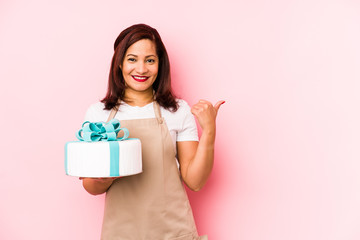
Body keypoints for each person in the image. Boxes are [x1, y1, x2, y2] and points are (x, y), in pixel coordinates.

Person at [81, 23, 224, 240]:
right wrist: (104, 177)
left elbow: (195, 181)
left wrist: (210, 131)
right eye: (132, 59)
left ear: (160, 64)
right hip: (122, 233)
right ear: (119, 63)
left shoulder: (178, 110)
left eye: (150, 60)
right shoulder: (98, 114)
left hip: (174, 232)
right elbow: (91, 187)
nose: (141, 69)